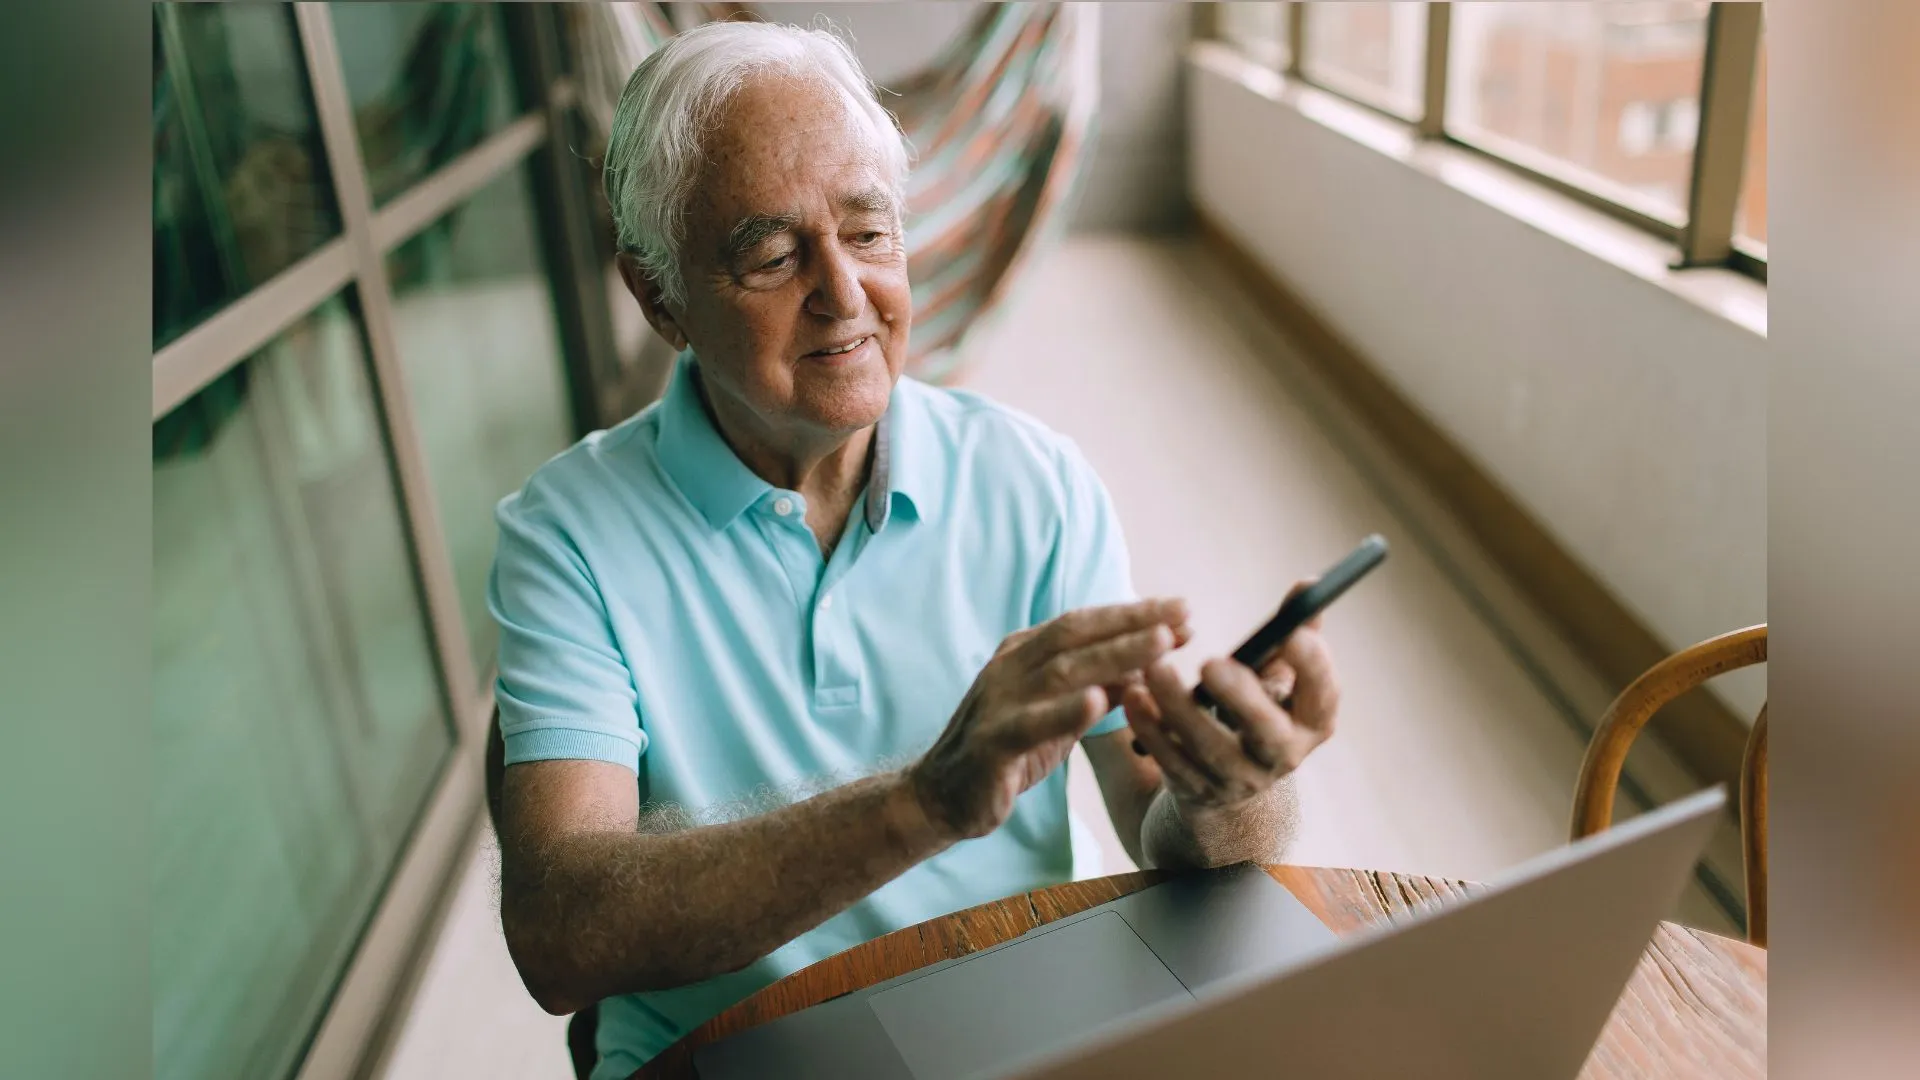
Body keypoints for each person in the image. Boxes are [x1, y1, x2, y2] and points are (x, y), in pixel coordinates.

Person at [488, 20, 1341, 1079]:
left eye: (869, 233)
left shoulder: (1033, 483)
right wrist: (928, 801)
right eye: (772, 254)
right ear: (662, 299)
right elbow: (562, 936)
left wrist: (1235, 793)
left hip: (1013, 1032)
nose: (844, 297)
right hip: (730, 1055)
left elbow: (1157, 824)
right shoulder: (567, 536)